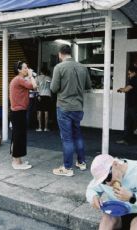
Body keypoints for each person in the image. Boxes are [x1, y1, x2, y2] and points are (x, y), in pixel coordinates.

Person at [86, 154, 137, 230]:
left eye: (108, 177)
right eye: (103, 181)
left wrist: (132, 198)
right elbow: (91, 189)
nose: (108, 183)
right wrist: (93, 197)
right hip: (116, 213)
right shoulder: (103, 175)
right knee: (107, 219)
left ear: (115, 164)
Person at [50, 45, 92, 177]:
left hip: (64, 107)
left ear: (60, 54)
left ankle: (67, 167)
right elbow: (88, 86)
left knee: (67, 139)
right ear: (71, 53)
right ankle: (81, 162)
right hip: (78, 107)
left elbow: (54, 88)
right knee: (78, 135)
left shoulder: (59, 67)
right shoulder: (82, 67)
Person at [9, 60, 37, 170]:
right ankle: (16, 163)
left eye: (27, 67)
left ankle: (18, 160)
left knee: (18, 136)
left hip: (18, 111)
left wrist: (29, 76)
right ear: (19, 70)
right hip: (18, 112)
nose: (27, 69)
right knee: (19, 136)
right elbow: (33, 86)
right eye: (25, 68)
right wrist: (31, 76)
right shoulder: (19, 79)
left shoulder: (17, 79)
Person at [35, 67, 52, 132]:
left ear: (41, 72)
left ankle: (39, 127)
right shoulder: (49, 78)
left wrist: (38, 95)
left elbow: (35, 87)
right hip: (47, 95)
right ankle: (45, 128)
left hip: (40, 95)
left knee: (39, 111)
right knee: (46, 111)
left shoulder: (37, 78)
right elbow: (52, 87)